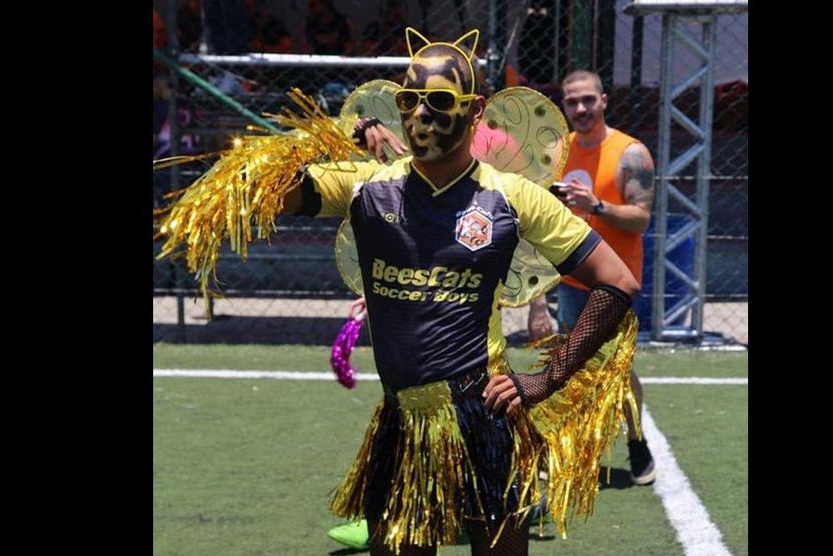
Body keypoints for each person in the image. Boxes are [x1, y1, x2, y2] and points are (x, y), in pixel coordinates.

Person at [158, 29, 640, 556]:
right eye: (409, 102)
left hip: (484, 418)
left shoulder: (512, 197)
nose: (420, 117)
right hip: (401, 423)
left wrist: (545, 378)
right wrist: (314, 143)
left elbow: (617, 281)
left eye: (439, 103)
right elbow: (260, 190)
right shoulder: (366, 186)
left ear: (475, 109)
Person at [527, 69, 657, 486]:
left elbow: (640, 220)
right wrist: (535, 299)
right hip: (570, 281)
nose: (580, 109)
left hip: (615, 285)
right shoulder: (554, 152)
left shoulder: (630, 153)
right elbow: (534, 223)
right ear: (562, 106)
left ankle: (637, 442)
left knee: (615, 370)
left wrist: (597, 205)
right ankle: (566, 451)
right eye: (572, 102)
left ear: (603, 100)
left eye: (588, 100)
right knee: (567, 366)